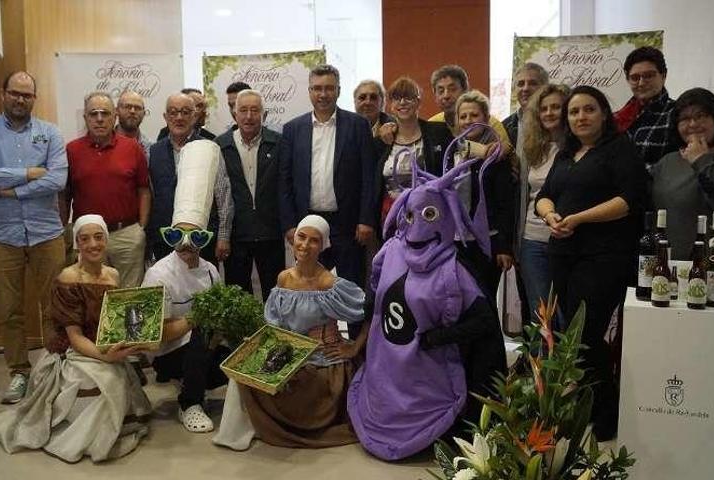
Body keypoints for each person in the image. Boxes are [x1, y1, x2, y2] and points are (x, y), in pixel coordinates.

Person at [348, 144, 505, 460]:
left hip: (430, 377)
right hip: (388, 366)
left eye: (429, 214)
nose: (418, 224)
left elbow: (484, 322)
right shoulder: (390, 252)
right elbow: (375, 297)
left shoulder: (455, 268)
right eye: (411, 214)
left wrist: (439, 338)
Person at [0, 215, 153, 463]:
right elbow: (74, 337)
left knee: (118, 379)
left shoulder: (113, 275)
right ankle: (88, 437)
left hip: (103, 346)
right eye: (84, 239)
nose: (93, 245)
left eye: (98, 237)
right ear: (76, 243)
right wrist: (104, 356)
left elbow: (114, 323)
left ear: (106, 240)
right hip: (74, 351)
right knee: (106, 381)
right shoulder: (67, 278)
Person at [535, 85, 647, 441]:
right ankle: (589, 406)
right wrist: (551, 215)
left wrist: (579, 218)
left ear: (604, 113)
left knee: (586, 334)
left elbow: (629, 200)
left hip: (604, 256)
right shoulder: (567, 153)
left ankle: (606, 414)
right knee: (572, 334)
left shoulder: (620, 150)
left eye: (589, 110)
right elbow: (544, 195)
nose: (580, 117)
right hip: (562, 254)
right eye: (574, 112)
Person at [214, 215, 366, 450]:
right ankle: (239, 433)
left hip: (323, 363)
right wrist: (258, 342)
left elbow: (372, 312)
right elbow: (276, 326)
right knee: (242, 372)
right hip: (289, 356)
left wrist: (354, 347)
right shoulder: (283, 278)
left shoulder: (329, 283)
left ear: (323, 245)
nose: (305, 245)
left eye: (313, 240)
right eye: (301, 237)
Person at [0, 71, 68, 405]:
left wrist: (11, 192)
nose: (20, 99)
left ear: (34, 98)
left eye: (27, 95)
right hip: (1, 235)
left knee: (54, 308)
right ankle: (20, 374)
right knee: (10, 311)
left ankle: (56, 368)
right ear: (3, 93)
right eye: (15, 93)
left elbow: (57, 179)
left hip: (46, 232)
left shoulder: (50, 132)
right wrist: (27, 173)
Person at [279, 64, 376, 340]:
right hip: (307, 225)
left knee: (352, 292)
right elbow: (284, 181)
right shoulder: (293, 129)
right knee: (308, 291)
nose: (323, 94)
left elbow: (369, 177)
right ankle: (310, 352)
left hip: (347, 224)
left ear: (338, 91)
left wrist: (366, 219)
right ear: (309, 91)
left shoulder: (357, 126)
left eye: (329, 88)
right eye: (317, 88)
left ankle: (358, 354)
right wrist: (289, 224)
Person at [142, 140, 231, 433]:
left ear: (205, 239)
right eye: (178, 237)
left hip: (201, 350)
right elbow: (153, 338)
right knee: (202, 330)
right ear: (169, 236)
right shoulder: (159, 274)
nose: (186, 245)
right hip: (167, 356)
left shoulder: (210, 273)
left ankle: (197, 378)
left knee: (228, 361)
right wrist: (196, 321)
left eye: (196, 239)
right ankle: (189, 403)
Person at [64, 91, 150, 288]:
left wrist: (141, 228)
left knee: (129, 297)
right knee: (92, 296)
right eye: (93, 114)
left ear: (115, 116)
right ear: (85, 118)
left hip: (126, 235)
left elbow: (143, 190)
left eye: (105, 113)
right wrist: (65, 231)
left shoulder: (133, 148)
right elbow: (65, 195)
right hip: (89, 239)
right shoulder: (71, 150)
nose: (100, 119)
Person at [651, 88, 714, 267]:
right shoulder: (667, 161)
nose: (692, 124)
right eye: (684, 118)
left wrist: (700, 159)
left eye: (700, 116)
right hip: (672, 266)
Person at [146, 93, 233, 266]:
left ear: (194, 116)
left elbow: (224, 197)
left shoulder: (209, 149)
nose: (179, 117)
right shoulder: (153, 151)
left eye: (185, 112)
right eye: (173, 112)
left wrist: (223, 237)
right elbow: (150, 197)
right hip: (165, 239)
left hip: (201, 239)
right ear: (165, 117)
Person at [216, 89, 284, 301]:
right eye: (243, 110)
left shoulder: (279, 143)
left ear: (264, 115)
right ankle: (241, 336)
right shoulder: (220, 145)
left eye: (255, 110)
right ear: (234, 114)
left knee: (275, 293)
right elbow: (219, 195)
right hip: (237, 234)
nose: (248, 116)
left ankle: (274, 333)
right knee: (238, 296)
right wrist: (223, 235)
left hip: (270, 232)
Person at [452, 90, 517, 299]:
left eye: (474, 115)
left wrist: (503, 247)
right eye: (463, 116)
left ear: (486, 119)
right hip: (456, 242)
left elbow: (505, 204)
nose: (468, 121)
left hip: (487, 242)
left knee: (485, 300)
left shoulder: (497, 156)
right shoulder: (452, 153)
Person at [515, 84, 568, 315]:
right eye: (544, 108)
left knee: (566, 314)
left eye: (556, 107)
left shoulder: (578, 149)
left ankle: (566, 354)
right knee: (541, 314)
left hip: (567, 239)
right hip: (532, 239)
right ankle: (540, 354)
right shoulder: (533, 148)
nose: (549, 113)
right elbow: (523, 194)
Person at [374, 76, 451, 222]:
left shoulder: (439, 132)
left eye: (408, 97)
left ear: (418, 102)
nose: (402, 102)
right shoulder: (381, 141)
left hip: (430, 214)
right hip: (391, 216)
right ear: (390, 105)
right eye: (397, 98)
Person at [614, 46, 678, 168]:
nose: (641, 83)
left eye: (649, 75)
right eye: (635, 77)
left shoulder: (677, 114)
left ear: (663, 76)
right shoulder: (617, 118)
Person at [427, 64, 512, 153]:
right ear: (435, 96)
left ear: (465, 91)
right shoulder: (432, 125)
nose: (446, 95)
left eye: (452, 89)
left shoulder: (491, 125)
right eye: (441, 91)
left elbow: (509, 155)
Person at [502, 62, 549, 149]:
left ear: (545, 88)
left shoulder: (554, 121)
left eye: (532, 83)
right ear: (514, 89)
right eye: (520, 84)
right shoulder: (506, 126)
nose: (525, 88)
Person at [115, 89, 153, 159]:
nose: (132, 111)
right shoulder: (104, 143)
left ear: (144, 113)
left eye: (137, 108)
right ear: (117, 111)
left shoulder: (152, 149)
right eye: (127, 107)